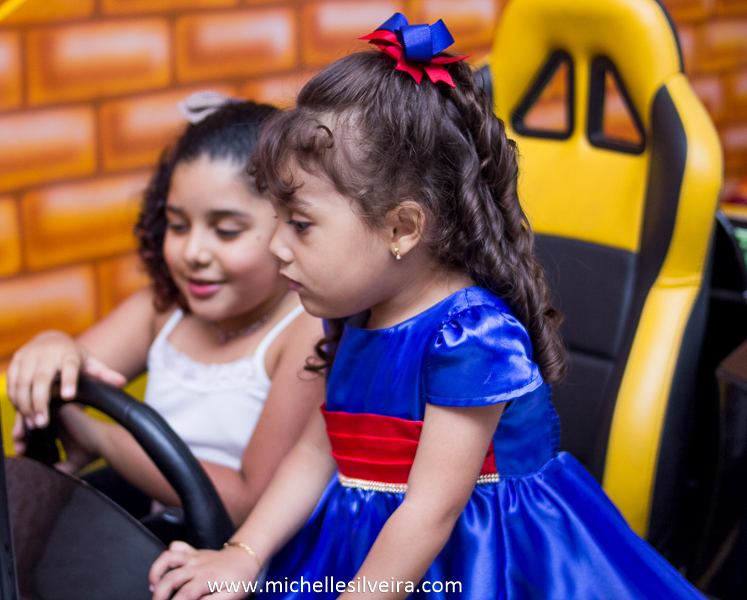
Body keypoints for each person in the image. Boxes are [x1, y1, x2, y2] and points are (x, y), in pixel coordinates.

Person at [147, 14, 706, 600]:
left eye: (301, 224)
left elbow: (430, 514)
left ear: (402, 227)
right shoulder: (354, 315)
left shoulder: (471, 337)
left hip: (473, 560)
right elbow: (318, 449)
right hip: (366, 545)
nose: (276, 245)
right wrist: (243, 555)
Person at [7, 97, 325, 527]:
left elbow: (247, 501)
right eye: (177, 225)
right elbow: (67, 373)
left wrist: (99, 437)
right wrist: (52, 345)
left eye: (226, 231)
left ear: (290, 224)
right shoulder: (164, 310)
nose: (193, 252)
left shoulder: (305, 331)